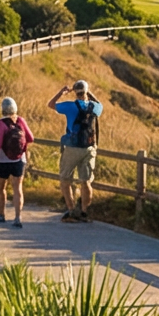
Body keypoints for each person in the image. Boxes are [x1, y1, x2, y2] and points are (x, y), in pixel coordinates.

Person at [49, 80, 101, 220]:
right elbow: (100, 105)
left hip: (72, 147)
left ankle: (71, 210)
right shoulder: (94, 107)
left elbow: (51, 104)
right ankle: (84, 212)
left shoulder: (71, 106)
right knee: (86, 181)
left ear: (75, 92)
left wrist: (62, 92)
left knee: (65, 179)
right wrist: (89, 93)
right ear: (86, 91)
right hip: (89, 148)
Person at [0, 96, 33, 227]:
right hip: (19, 159)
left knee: (1, 188)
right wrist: (22, 147)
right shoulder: (21, 121)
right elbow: (31, 137)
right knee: (17, 188)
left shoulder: (1, 123)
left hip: (3, 160)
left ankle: (1, 215)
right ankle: (17, 218)